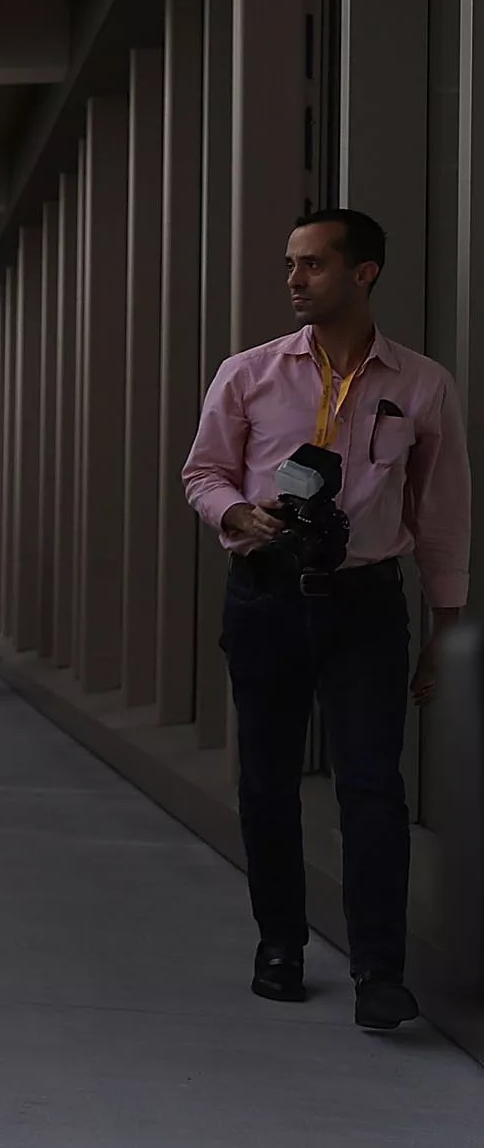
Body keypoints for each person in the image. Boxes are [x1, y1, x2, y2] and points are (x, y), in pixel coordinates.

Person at [182, 207, 470, 1033]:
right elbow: (203, 473)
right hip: (266, 597)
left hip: (367, 604)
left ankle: (380, 971)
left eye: (312, 263)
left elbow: (443, 515)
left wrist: (446, 630)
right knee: (266, 782)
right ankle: (280, 944)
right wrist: (240, 514)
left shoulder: (422, 384)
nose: (294, 279)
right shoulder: (249, 373)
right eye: (290, 264)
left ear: (362, 272)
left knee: (373, 787)